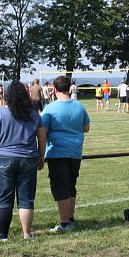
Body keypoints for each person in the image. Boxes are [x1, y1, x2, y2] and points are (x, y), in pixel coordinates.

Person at [0, 81, 46, 241]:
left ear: (7, 96)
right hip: (28, 157)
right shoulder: (34, 114)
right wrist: (41, 156)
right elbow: (42, 137)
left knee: (4, 197)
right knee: (26, 198)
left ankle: (3, 235)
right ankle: (26, 234)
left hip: (3, 157)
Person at [41, 75, 90, 234]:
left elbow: (43, 130)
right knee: (70, 185)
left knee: (60, 187)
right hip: (75, 151)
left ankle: (64, 223)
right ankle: (70, 218)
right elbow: (86, 127)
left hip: (57, 152)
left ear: (54, 90)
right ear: (70, 88)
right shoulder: (79, 106)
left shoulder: (50, 108)